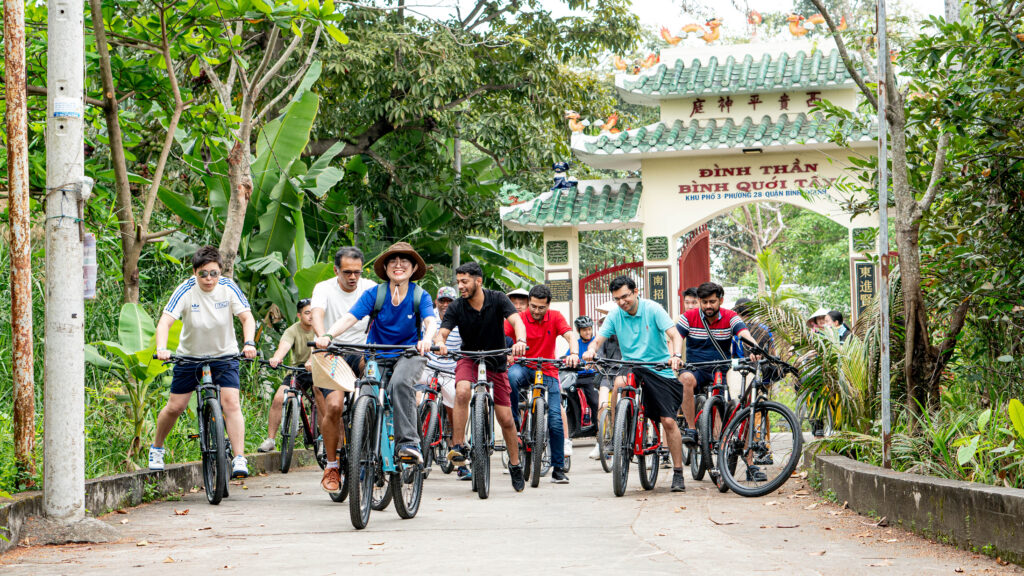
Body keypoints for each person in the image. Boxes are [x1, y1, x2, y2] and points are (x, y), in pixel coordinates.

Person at [316, 242, 437, 471]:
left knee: (400, 384)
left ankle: (408, 444)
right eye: (393, 261)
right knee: (366, 397)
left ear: (413, 269)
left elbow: (430, 321)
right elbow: (350, 317)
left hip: (410, 354)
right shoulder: (376, 293)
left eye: (404, 262)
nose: (398, 265)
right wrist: (328, 334)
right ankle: (363, 456)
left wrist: (428, 339)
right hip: (376, 354)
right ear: (386, 267)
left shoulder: (420, 295)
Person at [151, 246, 258, 478]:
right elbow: (165, 322)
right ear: (195, 272)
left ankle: (239, 457)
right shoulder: (186, 290)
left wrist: (249, 343)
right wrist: (162, 348)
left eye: (213, 273)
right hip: (189, 357)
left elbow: (246, 317)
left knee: (231, 404)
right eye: (203, 274)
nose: (209, 279)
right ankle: (157, 448)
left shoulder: (228, 288)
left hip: (225, 356)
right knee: (175, 406)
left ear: (221, 271)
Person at [582, 276, 686, 491]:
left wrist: (675, 355)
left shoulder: (653, 309)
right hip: (631, 366)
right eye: (617, 298)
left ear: (636, 291)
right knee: (618, 384)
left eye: (625, 296)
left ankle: (678, 472)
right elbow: (598, 339)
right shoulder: (615, 315)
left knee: (667, 421)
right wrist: (591, 350)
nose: (622, 302)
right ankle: (621, 428)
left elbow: (675, 334)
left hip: (658, 368)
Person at [433, 261, 529, 493]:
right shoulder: (457, 306)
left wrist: (521, 341)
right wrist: (440, 342)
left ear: (478, 281)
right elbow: (442, 332)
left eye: (464, 281)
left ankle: (515, 464)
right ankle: (458, 446)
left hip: (496, 359)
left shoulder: (497, 299)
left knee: (506, 418)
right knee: (463, 390)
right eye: (458, 282)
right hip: (468, 357)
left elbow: (516, 320)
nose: (461, 286)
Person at [676, 282, 764, 480]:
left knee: (744, 404)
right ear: (699, 301)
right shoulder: (688, 317)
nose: (708, 306)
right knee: (685, 379)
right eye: (704, 302)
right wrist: (674, 354)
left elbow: (743, 333)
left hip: (723, 369)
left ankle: (750, 463)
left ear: (721, 301)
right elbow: (677, 337)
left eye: (712, 302)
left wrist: (755, 348)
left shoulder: (730, 317)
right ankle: (691, 428)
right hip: (696, 369)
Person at [309, 246, 377, 493]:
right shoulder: (323, 288)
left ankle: (376, 447)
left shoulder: (370, 288)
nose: (353, 278)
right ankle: (332, 465)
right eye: (347, 272)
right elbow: (318, 313)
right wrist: (321, 337)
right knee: (335, 406)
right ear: (336, 270)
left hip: (360, 351)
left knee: (375, 387)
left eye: (357, 273)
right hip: (330, 351)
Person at [506, 285, 579, 484]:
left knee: (555, 419)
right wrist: (507, 353)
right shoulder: (518, 318)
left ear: (548, 305)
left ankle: (557, 469)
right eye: (533, 306)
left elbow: (570, 335)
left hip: (547, 369)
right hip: (522, 366)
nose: (537, 311)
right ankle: (513, 424)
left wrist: (573, 353)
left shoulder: (555, 317)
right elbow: (503, 336)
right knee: (510, 379)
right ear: (529, 303)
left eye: (541, 307)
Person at [416, 286, 470, 480]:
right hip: (428, 368)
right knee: (412, 398)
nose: (445, 305)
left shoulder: (462, 319)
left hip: (450, 371)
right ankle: (411, 445)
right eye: (442, 301)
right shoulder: (428, 319)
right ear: (436, 303)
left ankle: (459, 456)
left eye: (449, 301)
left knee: (456, 405)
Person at [258, 298, 317, 453]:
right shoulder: (292, 330)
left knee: (325, 400)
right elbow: (284, 346)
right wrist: (277, 358)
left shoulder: (321, 327)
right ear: (299, 315)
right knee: (279, 398)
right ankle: (271, 439)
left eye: (313, 312)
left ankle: (324, 438)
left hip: (321, 369)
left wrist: (312, 360)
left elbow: (317, 349)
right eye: (307, 313)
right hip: (299, 370)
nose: (311, 316)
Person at [567, 316, 602, 460]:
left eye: (589, 329)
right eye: (584, 330)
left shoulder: (596, 342)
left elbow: (601, 357)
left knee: (594, 402)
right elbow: (568, 356)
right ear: (578, 331)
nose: (587, 332)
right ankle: (571, 430)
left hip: (590, 377)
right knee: (568, 399)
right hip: (576, 376)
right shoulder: (576, 344)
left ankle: (598, 430)